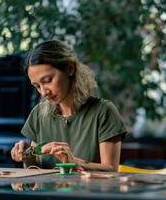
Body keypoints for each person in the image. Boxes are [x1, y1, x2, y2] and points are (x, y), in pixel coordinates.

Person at [10, 40, 127, 172]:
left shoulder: (103, 112)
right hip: (48, 193)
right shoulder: (39, 114)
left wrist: (74, 163)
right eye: (37, 86)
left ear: (70, 69)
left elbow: (111, 169)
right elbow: (35, 172)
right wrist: (27, 156)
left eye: (48, 81)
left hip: (88, 191)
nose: (44, 92)